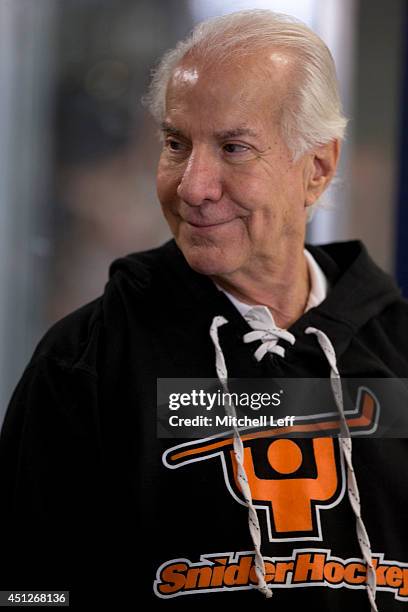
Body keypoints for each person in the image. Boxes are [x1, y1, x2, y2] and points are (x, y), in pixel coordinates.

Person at [0, 9, 407, 611]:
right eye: (175, 144)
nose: (193, 185)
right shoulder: (85, 360)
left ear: (316, 168)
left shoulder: (397, 348)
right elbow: (26, 590)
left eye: (234, 147)